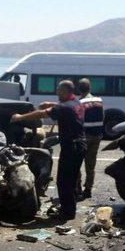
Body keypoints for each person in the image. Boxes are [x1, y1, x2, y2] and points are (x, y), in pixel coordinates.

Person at [11, 80, 86, 220]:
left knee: (64, 181)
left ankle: (67, 213)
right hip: (80, 146)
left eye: (58, 90)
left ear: (64, 91)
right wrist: (51, 104)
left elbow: (42, 114)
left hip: (71, 147)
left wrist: (20, 117)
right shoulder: (76, 102)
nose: (56, 92)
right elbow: (62, 106)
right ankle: (69, 208)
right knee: (72, 179)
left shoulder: (63, 108)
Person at [76, 78, 104, 199]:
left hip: (84, 136)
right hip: (96, 136)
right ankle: (88, 189)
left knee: (77, 163)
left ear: (79, 89)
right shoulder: (99, 101)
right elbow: (103, 117)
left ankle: (78, 189)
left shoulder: (80, 103)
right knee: (90, 164)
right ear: (90, 88)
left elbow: (77, 121)